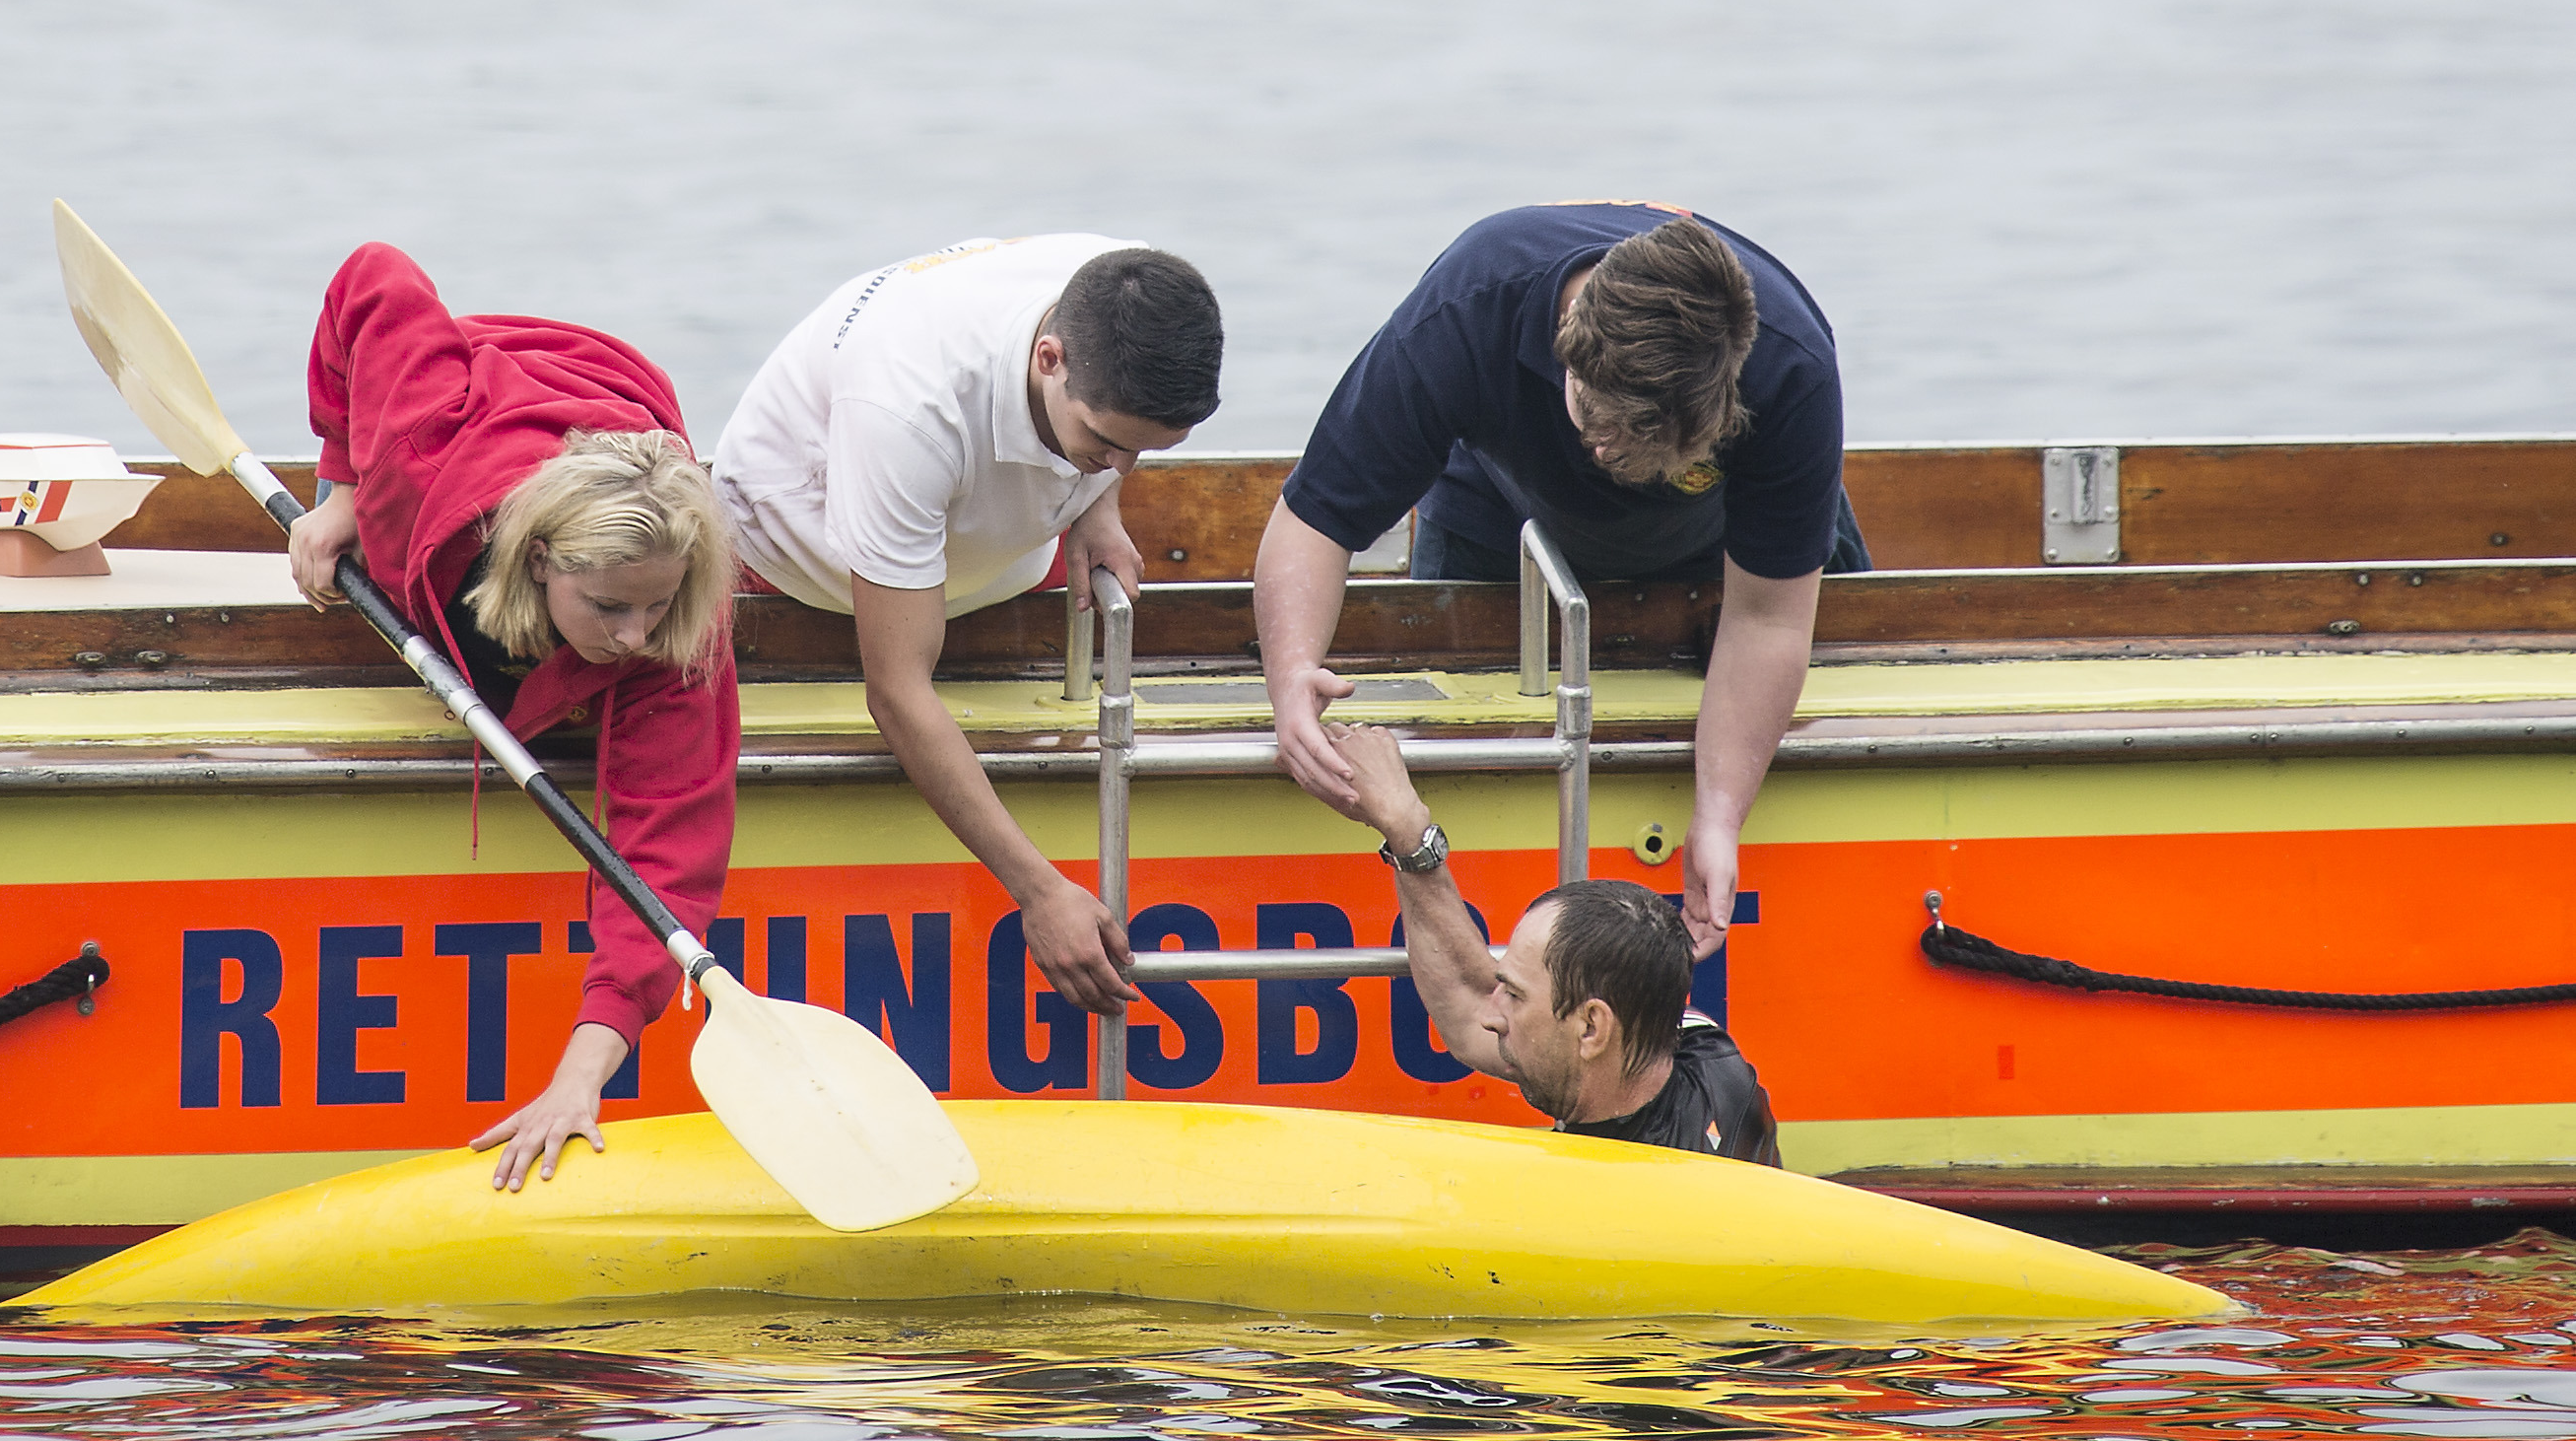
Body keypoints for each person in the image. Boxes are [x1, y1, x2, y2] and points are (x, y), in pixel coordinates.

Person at [1257, 202, 1865, 961]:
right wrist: (1288, 679)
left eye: (1645, 443)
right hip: (1498, 521)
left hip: (1725, 553)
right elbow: (1313, 519)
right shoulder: (1467, 307)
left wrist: (1717, 814)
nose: (1607, 455)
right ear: (1565, 348)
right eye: (1597, 426)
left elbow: (1770, 621)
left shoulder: (1789, 363)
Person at [286, 242, 739, 1192]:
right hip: (477, 392)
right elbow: (371, 278)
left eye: (654, 606)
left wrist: (583, 1079)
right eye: (609, 609)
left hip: (622, 402)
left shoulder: (679, 633)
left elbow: (666, 855)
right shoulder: (414, 465)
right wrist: (344, 489)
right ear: (538, 563)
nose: (635, 635)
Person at [713, 236, 1224, 1018]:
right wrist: (1039, 890)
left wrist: (1097, 499)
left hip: (979, 531)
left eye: (1148, 452)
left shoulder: (1118, 283)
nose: (1123, 466)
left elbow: (1119, 432)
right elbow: (896, 690)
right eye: (1106, 444)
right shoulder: (906, 409)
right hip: (804, 544)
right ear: (1048, 356)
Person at [1332, 723, 1781, 1166]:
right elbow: (1468, 1002)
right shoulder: (1697, 1048)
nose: (1491, 1014)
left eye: (1514, 995)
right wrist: (1406, 829)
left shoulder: (1616, 1194)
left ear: (1591, 1027)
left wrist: (1407, 825)